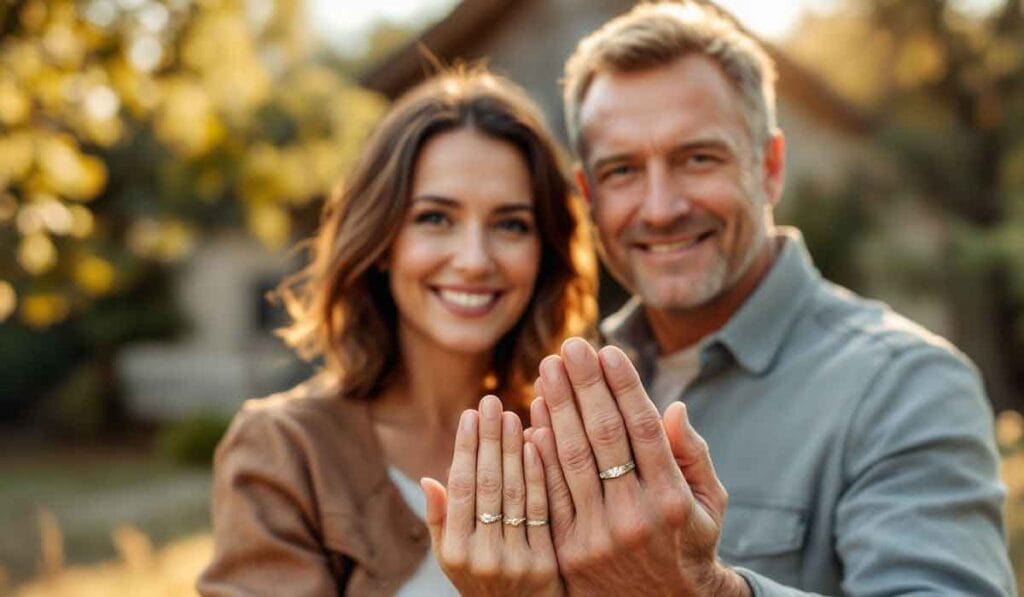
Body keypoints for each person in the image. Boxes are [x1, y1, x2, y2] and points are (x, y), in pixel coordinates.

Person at [511, 2, 1014, 595]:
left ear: (769, 167)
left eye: (698, 158)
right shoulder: (559, 393)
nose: (661, 207)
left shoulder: (908, 386)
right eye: (622, 170)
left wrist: (708, 589)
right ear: (588, 195)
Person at [196, 68, 597, 596]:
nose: (475, 261)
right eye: (435, 218)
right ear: (383, 241)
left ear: (544, 251)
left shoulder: (576, 448)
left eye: (511, 224)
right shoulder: (286, 452)